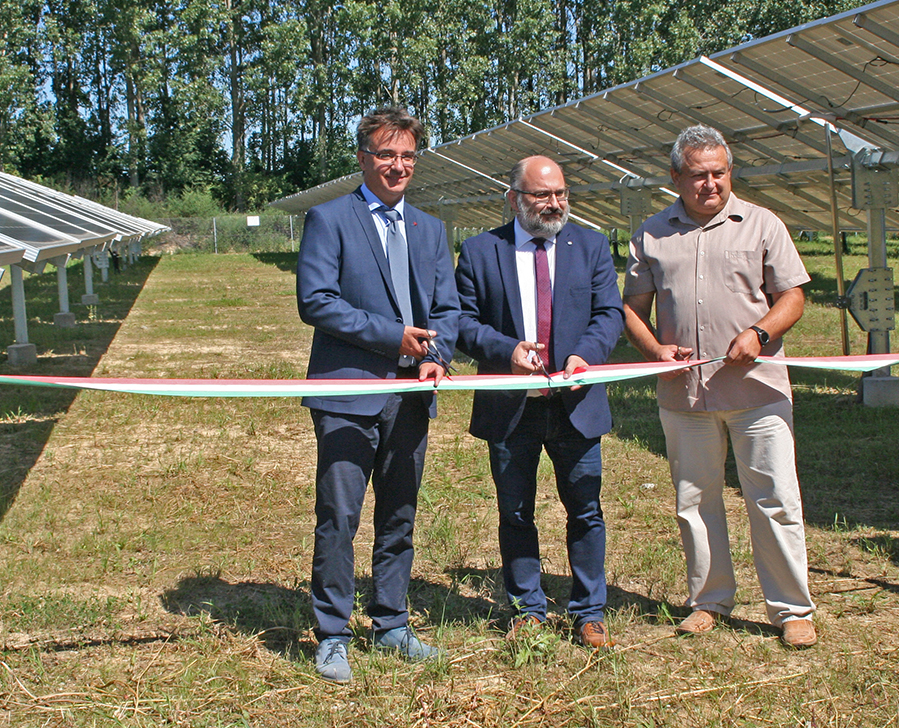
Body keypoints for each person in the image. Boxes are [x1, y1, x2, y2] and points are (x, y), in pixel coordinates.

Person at [622, 124, 817, 649]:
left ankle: (791, 609)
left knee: (774, 497)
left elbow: (793, 296)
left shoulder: (762, 225)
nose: (710, 184)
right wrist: (655, 351)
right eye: (698, 175)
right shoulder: (652, 234)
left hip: (757, 388)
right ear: (675, 178)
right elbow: (632, 310)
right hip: (685, 394)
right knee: (695, 499)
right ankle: (708, 600)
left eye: (719, 173)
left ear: (730, 173)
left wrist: (760, 332)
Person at [296, 106, 459, 682]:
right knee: (339, 514)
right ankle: (333, 632)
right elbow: (316, 301)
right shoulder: (330, 219)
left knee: (400, 512)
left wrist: (435, 358)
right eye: (386, 155)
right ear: (364, 159)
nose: (398, 165)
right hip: (347, 392)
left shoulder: (430, 229)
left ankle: (391, 623)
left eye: (408, 155)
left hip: (411, 396)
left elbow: (447, 309)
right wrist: (397, 339)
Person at [456, 156, 624, 649]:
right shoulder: (482, 250)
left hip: (575, 404)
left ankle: (589, 610)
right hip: (512, 406)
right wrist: (504, 351)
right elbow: (463, 321)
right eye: (541, 195)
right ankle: (527, 607)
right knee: (515, 512)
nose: (554, 204)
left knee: (586, 509)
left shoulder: (590, 246)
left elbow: (608, 313)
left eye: (561, 193)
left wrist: (583, 355)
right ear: (514, 200)